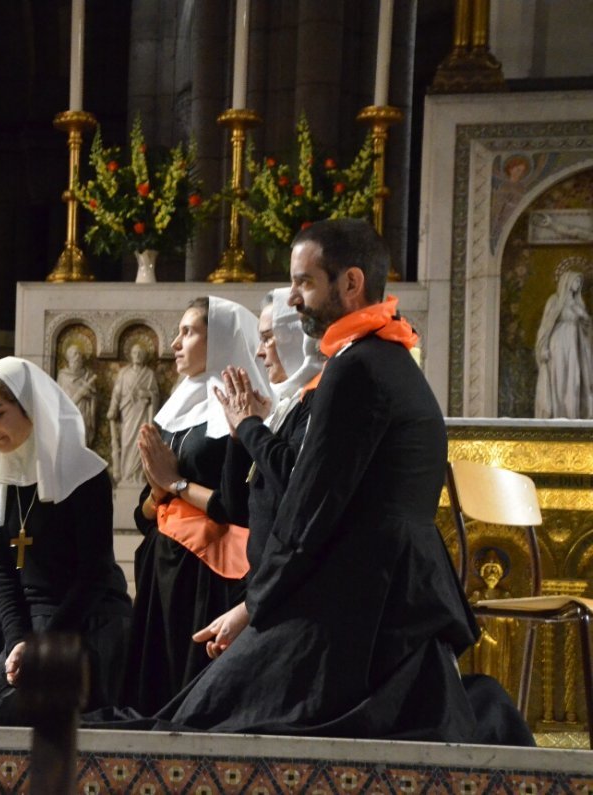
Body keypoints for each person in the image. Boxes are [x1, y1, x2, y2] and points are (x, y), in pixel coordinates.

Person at [138, 218, 506, 741]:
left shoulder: (357, 369)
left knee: (210, 726)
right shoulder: (380, 358)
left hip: (356, 605)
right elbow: (315, 487)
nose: (293, 299)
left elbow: (311, 510)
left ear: (350, 282)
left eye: (304, 283)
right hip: (370, 588)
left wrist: (255, 608)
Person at [0, 357, 132, 725]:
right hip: (27, 630)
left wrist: (42, 645)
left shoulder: (85, 473)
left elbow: (93, 575)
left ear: (29, 407)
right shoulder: (2, 474)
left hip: (84, 622)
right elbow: (3, 571)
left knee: (37, 736)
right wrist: (18, 642)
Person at [117, 296, 270, 714]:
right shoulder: (176, 407)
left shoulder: (240, 408)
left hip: (209, 571)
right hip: (162, 562)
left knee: (192, 693)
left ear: (218, 337)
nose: (175, 344)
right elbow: (143, 512)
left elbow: (233, 507)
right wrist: (160, 492)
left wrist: (175, 483)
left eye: (188, 332)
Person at [198, 287, 323, 657]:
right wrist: (239, 437)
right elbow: (238, 508)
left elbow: (296, 486)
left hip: (293, 597)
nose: (259, 351)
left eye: (268, 338)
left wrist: (252, 426)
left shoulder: (319, 400)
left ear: (296, 337)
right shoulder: (286, 405)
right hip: (263, 587)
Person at [534, 262, 593, 419]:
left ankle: (573, 414)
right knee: (559, 380)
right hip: (558, 345)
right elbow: (546, 326)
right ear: (567, 281)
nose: (578, 284)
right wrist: (543, 348)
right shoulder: (555, 301)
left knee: (574, 380)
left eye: (580, 282)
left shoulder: (578, 303)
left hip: (575, 347)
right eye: (576, 281)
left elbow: (587, 327)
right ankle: (559, 415)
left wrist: (583, 317)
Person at [107, 342, 161, 484]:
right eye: (134, 353)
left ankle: (140, 477)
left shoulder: (149, 374)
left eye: (140, 353)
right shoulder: (124, 373)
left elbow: (155, 395)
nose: (137, 355)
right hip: (128, 414)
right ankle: (126, 476)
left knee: (141, 443)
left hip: (143, 414)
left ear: (143, 356)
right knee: (126, 444)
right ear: (130, 355)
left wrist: (147, 394)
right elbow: (117, 394)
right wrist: (113, 409)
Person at [57, 345, 98, 444]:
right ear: (69, 358)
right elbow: (59, 399)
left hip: (84, 412)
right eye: (75, 354)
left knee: (82, 440)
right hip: (68, 415)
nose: (78, 356)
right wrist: (78, 395)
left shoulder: (88, 375)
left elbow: (94, 397)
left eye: (79, 354)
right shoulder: (63, 376)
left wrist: (90, 396)